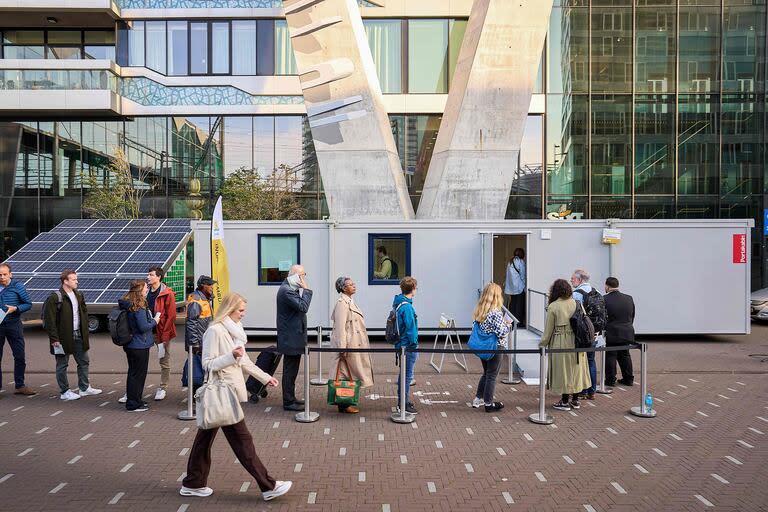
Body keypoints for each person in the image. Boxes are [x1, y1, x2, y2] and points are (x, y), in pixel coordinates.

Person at [181, 292, 292, 502]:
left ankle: (193, 483)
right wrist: (230, 357)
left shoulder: (235, 331)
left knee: (204, 441)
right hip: (222, 393)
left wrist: (266, 377)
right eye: (241, 310)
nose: (243, 314)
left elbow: (245, 361)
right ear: (230, 309)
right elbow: (207, 364)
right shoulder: (214, 331)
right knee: (243, 441)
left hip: (225, 394)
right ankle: (268, 486)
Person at [43, 270, 101, 401]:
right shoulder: (55, 297)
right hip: (62, 338)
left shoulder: (79, 294)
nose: (77, 282)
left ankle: (84, 388)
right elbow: (49, 320)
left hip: (79, 334)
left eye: (76, 279)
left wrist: (85, 330)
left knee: (84, 361)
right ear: (65, 281)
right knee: (62, 364)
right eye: (74, 279)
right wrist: (54, 339)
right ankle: (65, 391)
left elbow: (84, 313)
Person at [539, 279, 591, 411]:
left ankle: (564, 401)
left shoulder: (554, 306)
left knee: (563, 371)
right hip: (578, 341)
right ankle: (575, 400)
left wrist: (542, 344)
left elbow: (548, 330)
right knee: (576, 370)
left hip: (561, 341)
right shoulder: (577, 303)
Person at [329, 276, 374, 414]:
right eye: (350, 284)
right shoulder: (342, 304)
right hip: (349, 345)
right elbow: (340, 328)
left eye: (353, 283)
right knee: (345, 374)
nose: (354, 286)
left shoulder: (349, 301)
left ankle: (345, 403)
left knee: (349, 373)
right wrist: (342, 347)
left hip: (354, 343)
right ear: (343, 288)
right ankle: (343, 404)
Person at [276, 264, 313, 412]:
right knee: (289, 371)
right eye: (302, 275)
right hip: (290, 338)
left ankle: (291, 399)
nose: (304, 278)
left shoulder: (290, 289)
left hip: (293, 337)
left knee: (292, 370)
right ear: (295, 276)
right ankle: (288, 402)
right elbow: (303, 307)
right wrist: (307, 290)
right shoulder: (286, 291)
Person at [118, 279, 159, 412]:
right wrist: (155, 321)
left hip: (131, 344)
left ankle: (135, 399)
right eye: (145, 288)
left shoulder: (128, 303)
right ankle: (133, 404)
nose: (147, 289)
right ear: (140, 290)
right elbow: (143, 327)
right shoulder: (138, 307)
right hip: (139, 345)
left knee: (133, 373)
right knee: (138, 375)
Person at [471, 283, 511, 412]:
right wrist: (508, 325)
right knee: (492, 376)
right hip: (496, 347)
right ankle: (489, 404)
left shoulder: (481, 310)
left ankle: (478, 398)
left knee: (486, 373)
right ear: (496, 296)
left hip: (483, 346)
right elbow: (502, 333)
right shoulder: (496, 313)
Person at [0, 262, 35, 396]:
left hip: (14, 325)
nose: (2, 277)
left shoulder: (18, 286)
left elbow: (28, 304)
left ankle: (20, 385)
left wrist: (16, 309)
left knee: (19, 355)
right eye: (0, 275)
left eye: (4, 274)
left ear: (10, 274)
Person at [147, 266, 177, 401]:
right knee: (139, 360)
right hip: (146, 332)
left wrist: (165, 335)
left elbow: (171, 316)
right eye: (148, 275)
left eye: (151, 275)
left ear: (158, 277)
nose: (148, 277)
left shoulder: (167, 293)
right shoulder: (145, 292)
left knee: (163, 360)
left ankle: (163, 387)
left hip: (160, 333)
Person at [604, 277, 635, 387]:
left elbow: (603, 318)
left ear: (607, 286)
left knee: (611, 355)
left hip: (612, 332)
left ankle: (610, 380)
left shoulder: (604, 299)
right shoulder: (629, 298)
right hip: (627, 331)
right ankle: (629, 379)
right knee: (625, 355)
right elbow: (632, 315)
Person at [571, 269, 597, 400]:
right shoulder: (595, 291)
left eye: (573, 279)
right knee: (591, 361)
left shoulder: (577, 294)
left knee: (580, 361)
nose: (571, 281)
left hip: (582, 332)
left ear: (580, 280)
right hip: (594, 332)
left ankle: (582, 390)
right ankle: (592, 390)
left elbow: (573, 313)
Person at [394, 276, 418, 414]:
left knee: (403, 374)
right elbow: (410, 328)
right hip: (407, 346)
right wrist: (414, 344)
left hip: (400, 344)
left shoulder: (398, 303)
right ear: (412, 289)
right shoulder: (407, 307)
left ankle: (402, 401)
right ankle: (403, 403)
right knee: (407, 376)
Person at [504, 248, 526, 327]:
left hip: (511, 289)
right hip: (519, 288)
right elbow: (523, 276)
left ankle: (511, 323)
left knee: (513, 305)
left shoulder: (510, 262)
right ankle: (519, 323)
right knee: (520, 306)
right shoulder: (520, 262)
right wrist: (525, 286)